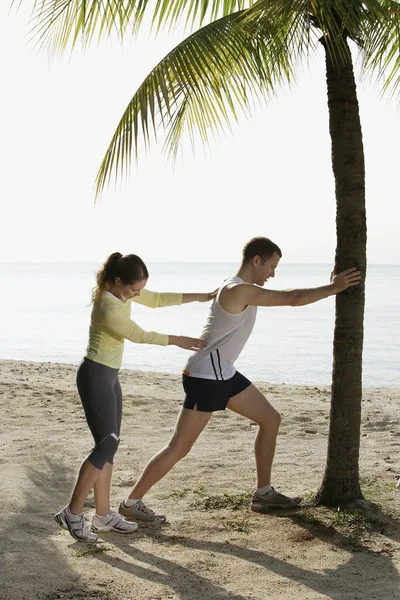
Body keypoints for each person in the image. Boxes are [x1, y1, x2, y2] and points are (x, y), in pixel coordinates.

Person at [118, 237, 361, 522]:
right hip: (206, 377)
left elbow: (292, 296)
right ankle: (131, 502)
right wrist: (333, 288)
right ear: (256, 261)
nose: (272, 274)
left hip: (224, 373)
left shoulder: (237, 287)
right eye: (271, 266)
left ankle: (264, 493)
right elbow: (292, 299)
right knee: (180, 446)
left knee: (271, 419)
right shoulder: (238, 289)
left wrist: (330, 288)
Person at [54, 252, 215, 542]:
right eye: (133, 289)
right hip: (95, 375)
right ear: (117, 282)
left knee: (109, 446)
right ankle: (73, 512)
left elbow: (156, 299)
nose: (137, 294)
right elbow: (140, 335)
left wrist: (203, 296)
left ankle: (102, 516)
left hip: (109, 375)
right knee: (105, 446)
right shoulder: (108, 307)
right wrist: (178, 340)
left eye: (139, 289)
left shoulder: (121, 294)